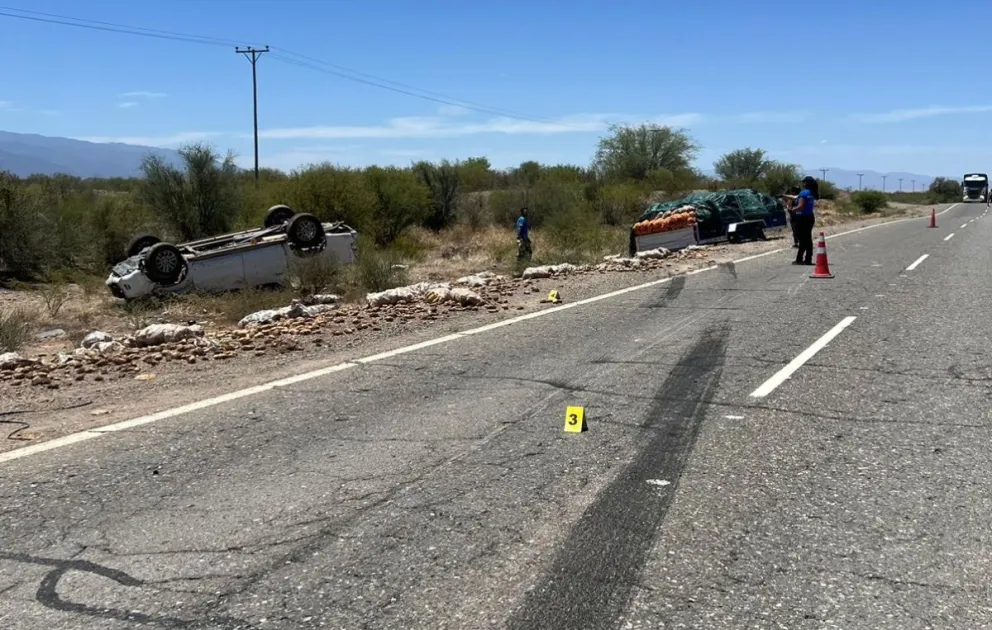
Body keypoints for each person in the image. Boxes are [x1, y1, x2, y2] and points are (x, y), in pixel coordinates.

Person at [792, 176, 818, 265]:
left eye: (804, 182)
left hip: (802, 218)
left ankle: (803, 259)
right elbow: (797, 198)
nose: (802, 184)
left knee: (801, 238)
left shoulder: (803, 193)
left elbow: (801, 206)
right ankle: (805, 259)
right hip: (810, 217)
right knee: (806, 238)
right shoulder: (812, 193)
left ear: (807, 183)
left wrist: (793, 209)